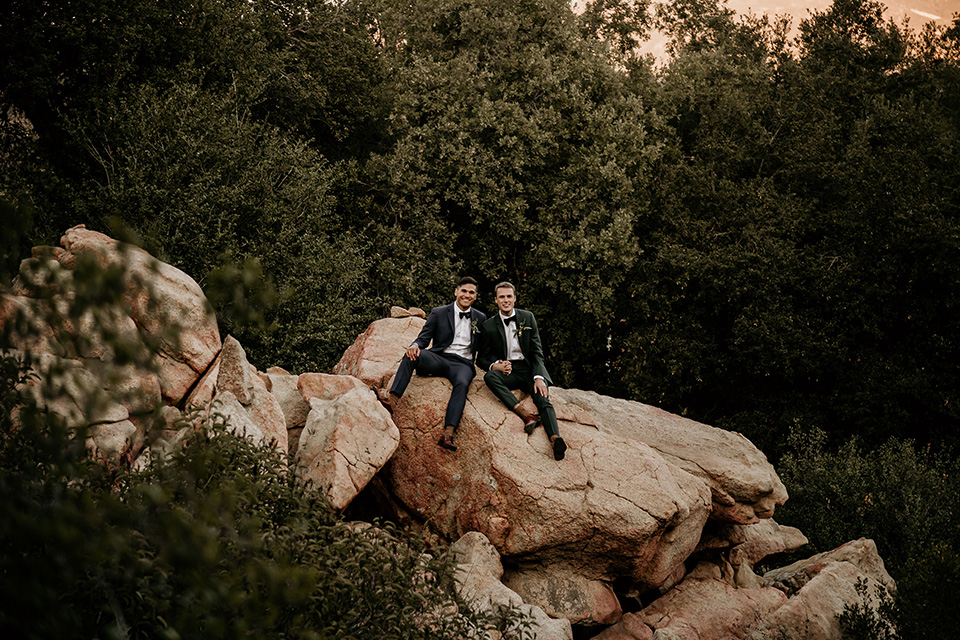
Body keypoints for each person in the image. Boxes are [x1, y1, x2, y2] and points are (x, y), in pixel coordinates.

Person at [378, 277, 486, 451]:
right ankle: (392, 400)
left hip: (463, 364)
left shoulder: (480, 318)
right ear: (456, 292)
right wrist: (414, 345)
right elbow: (424, 337)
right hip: (439, 356)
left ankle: (448, 434)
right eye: (464, 291)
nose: (467, 295)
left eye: (471, 292)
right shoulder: (439, 312)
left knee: (463, 383)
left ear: (475, 296)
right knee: (411, 355)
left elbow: (484, 348)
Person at [476, 281, 566, 460]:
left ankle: (555, 439)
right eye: (502, 297)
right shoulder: (488, 326)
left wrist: (539, 377)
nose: (506, 300)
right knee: (490, 377)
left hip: (530, 369)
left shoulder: (528, 317)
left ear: (515, 298)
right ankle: (526, 415)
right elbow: (482, 359)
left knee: (542, 398)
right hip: (509, 371)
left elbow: (536, 352)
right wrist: (496, 365)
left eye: (509, 296)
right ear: (496, 300)